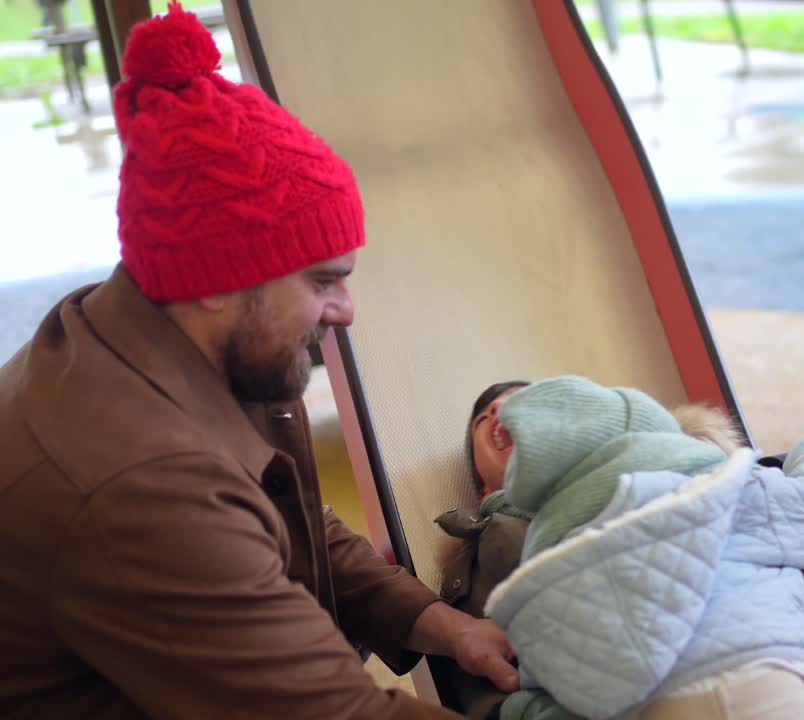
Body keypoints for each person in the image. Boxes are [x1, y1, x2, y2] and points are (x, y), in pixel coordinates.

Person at [0, 5, 514, 718]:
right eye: (322, 281)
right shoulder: (139, 483)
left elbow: (293, 517)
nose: (346, 311)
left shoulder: (164, 333)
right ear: (216, 280)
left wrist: (443, 625)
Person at [443, 377, 804, 720]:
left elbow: (802, 508)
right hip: (648, 698)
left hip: (778, 652)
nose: (505, 419)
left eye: (528, 413)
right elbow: (509, 685)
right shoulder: (505, 540)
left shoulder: (676, 475)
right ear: (486, 486)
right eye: (487, 422)